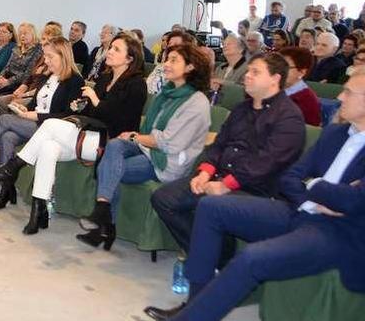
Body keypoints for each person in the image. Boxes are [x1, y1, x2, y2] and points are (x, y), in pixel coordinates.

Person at [151, 72, 365, 321]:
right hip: (299, 207)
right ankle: (195, 301)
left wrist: (313, 185)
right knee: (211, 207)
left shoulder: (289, 116)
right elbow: (291, 178)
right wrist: (315, 192)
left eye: (349, 92)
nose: (340, 96)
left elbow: (353, 200)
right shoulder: (335, 134)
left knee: (251, 257)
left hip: (340, 231)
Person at [145, 54, 306, 308]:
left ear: (275, 79)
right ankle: (221, 259)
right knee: (163, 198)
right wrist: (206, 172)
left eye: (255, 72)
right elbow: (218, 145)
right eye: (248, 70)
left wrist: (225, 184)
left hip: (257, 191)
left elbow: (265, 164)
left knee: (208, 207)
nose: (247, 76)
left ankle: (199, 296)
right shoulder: (242, 109)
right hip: (218, 178)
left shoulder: (289, 118)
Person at [0, 33, 148, 235]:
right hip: (87, 134)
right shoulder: (105, 78)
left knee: (50, 124)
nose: (109, 51)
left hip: (109, 142)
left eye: (116, 49)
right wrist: (81, 106)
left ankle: (13, 166)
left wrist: (94, 99)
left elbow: (118, 121)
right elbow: (92, 114)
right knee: (48, 148)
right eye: (110, 47)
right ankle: (38, 211)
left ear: (130, 58)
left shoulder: (137, 84)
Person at [76, 43, 212, 250]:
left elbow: (169, 143)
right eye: (166, 59)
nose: (166, 64)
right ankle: (103, 214)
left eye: (174, 60)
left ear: (190, 67)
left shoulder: (197, 102)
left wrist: (135, 137)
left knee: (110, 167)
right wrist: (134, 138)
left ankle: (104, 222)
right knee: (113, 147)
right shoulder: (166, 93)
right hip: (148, 148)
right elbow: (150, 131)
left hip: (167, 161)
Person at [0, 37, 83, 205]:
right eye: (45, 56)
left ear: (64, 56)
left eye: (50, 57)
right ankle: (5, 190)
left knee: (4, 120)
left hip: (52, 129)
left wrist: (36, 116)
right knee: (7, 137)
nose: (46, 61)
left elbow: (67, 115)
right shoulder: (48, 77)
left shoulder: (75, 81)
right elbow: (37, 103)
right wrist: (26, 109)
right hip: (35, 124)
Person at [0, 23, 42, 96]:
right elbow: (8, 66)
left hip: (21, 83)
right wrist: (1, 77)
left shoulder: (37, 50)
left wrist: (8, 82)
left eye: (25, 34)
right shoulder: (17, 48)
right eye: (20, 34)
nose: (22, 36)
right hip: (8, 79)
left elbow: (28, 73)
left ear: (33, 34)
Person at [279, 47, 321, 126]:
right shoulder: (271, 89)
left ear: (302, 72)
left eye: (285, 67)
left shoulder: (307, 101)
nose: (279, 71)